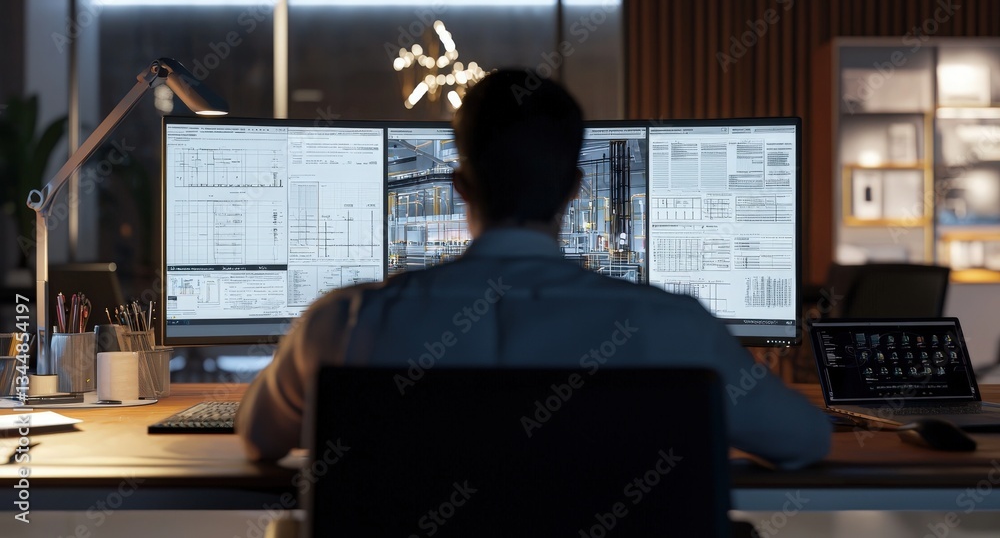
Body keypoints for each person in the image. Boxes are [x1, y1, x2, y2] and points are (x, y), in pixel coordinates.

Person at [236, 69, 831, 467]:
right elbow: (805, 441)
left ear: (460, 187)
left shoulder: (342, 324)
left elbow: (257, 438)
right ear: (574, 188)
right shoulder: (674, 329)